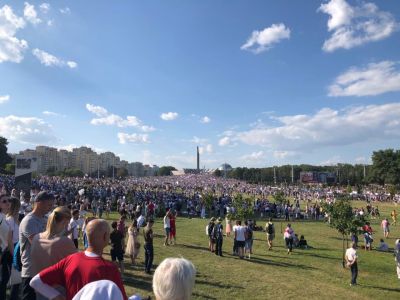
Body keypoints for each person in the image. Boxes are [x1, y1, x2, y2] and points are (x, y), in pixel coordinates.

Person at [29, 219, 128, 300]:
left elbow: (36, 281)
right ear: (105, 236)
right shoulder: (110, 269)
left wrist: (57, 296)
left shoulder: (70, 259)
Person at [20, 191, 54, 300]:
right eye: (49, 204)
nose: (51, 207)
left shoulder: (45, 219)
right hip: (31, 270)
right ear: (39, 203)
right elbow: (38, 244)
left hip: (43, 269)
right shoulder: (29, 220)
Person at [6, 196, 21, 299]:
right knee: (14, 279)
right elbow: (9, 239)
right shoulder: (10, 220)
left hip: (17, 248)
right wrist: (14, 254)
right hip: (12, 249)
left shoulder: (16, 220)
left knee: (16, 279)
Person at [0, 194, 13, 299]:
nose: (8, 203)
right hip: (1, 254)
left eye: (9, 201)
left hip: (4, 254)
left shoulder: (5, 218)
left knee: (3, 283)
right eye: (4, 201)